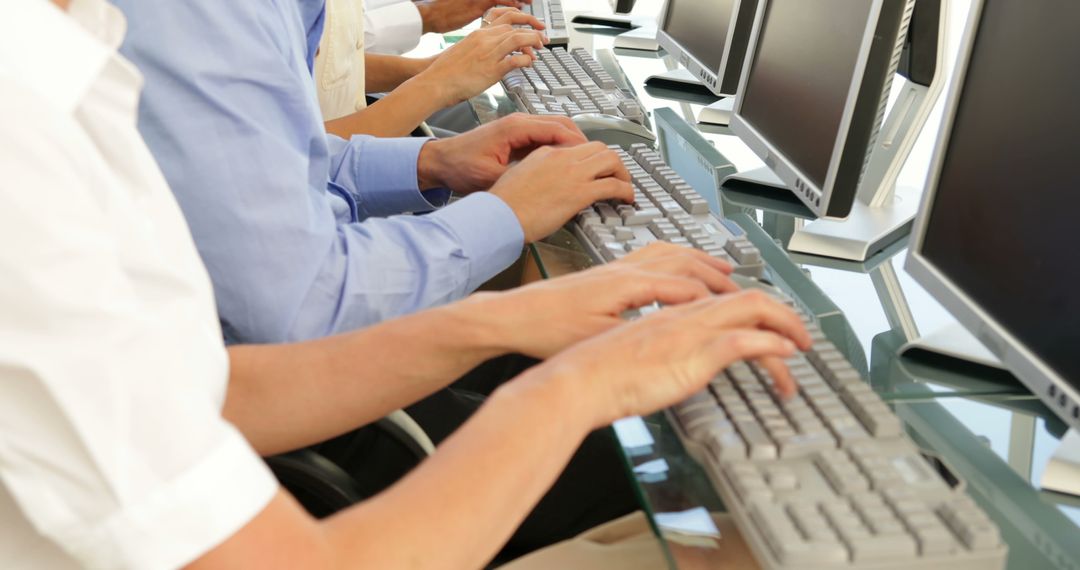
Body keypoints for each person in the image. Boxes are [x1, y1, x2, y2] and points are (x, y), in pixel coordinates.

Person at [0, 2, 810, 569]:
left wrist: (511, 320)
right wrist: (576, 385)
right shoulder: (24, 133)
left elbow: (201, 385)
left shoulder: (61, 63)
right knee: (746, 538)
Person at [113, 0, 625, 344]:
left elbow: (276, 155)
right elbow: (302, 305)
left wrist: (431, 161)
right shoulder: (203, 16)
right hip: (265, 386)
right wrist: (506, 216)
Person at [317, 0, 545, 137]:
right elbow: (307, 154)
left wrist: (433, 68)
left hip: (348, 139)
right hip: (331, 174)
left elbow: (332, 62)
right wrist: (439, 82)